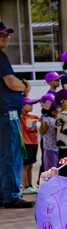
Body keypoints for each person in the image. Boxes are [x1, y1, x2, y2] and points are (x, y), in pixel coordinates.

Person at [0, 22, 33, 207]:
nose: (5, 38)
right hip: (6, 113)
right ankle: (11, 196)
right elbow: (12, 83)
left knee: (3, 155)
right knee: (11, 155)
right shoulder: (0, 56)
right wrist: (25, 87)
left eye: (7, 34)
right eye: (1, 35)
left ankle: (3, 194)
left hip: (2, 113)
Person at [19, 96, 40, 195]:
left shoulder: (34, 117)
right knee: (25, 165)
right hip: (25, 143)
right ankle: (25, 185)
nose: (31, 106)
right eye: (29, 104)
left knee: (30, 165)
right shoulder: (20, 117)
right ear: (22, 106)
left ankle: (30, 185)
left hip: (34, 143)